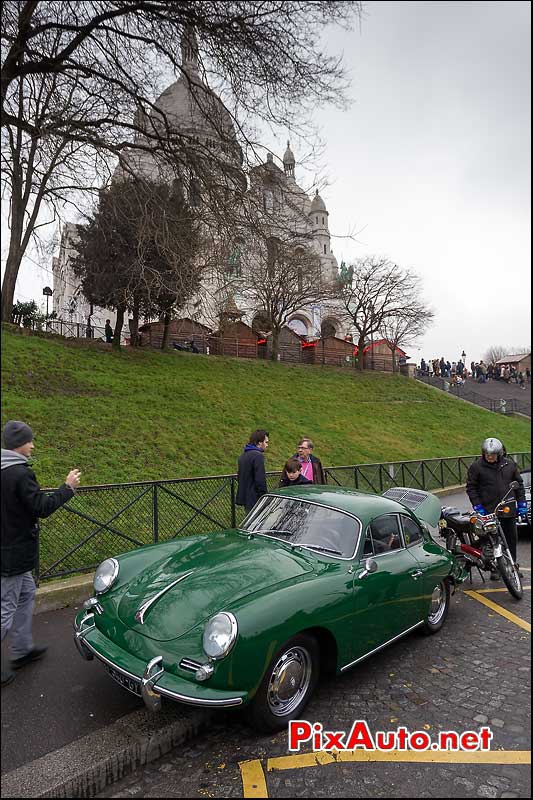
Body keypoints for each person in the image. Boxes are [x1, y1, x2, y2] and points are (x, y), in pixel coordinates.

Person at [1, 421, 81, 686]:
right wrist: (67, 488)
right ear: (19, 443)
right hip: (12, 554)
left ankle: (21, 649)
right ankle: (19, 650)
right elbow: (41, 507)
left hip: (10, 551)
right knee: (5, 610)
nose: (33, 445)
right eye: (30, 440)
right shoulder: (19, 474)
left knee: (26, 594)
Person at [466, 437, 526, 580]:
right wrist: (477, 505)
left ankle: (512, 566)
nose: (490, 457)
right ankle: (496, 568)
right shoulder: (477, 467)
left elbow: (519, 484)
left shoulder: (510, 465)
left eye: (492, 455)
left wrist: (522, 503)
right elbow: (471, 487)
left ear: (499, 454)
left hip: (508, 509)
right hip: (489, 510)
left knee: (511, 539)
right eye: (487, 454)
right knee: (492, 540)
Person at [236, 429, 269, 513]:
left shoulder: (243, 456)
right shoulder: (258, 456)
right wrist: (264, 496)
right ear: (259, 443)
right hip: (255, 499)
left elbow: (239, 476)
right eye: (266, 442)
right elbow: (260, 480)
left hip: (246, 498)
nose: (267, 445)